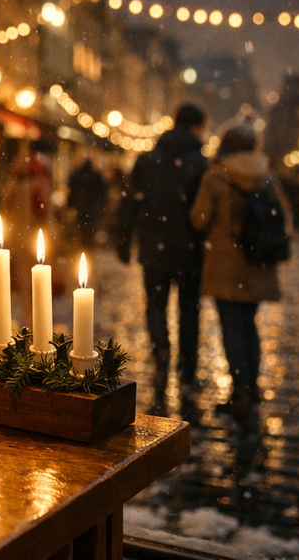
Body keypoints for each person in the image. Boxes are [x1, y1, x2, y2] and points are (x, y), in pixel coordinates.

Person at [115, 104, 208, 413]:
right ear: (196, 127)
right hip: (190, 250)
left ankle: (162, 355)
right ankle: (187, 368)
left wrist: (123, 242)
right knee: (189, 309)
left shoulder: (148, 159)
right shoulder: (201, 162)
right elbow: (207, 213)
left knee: (155, 304)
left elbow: (129, 202)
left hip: (154, 246)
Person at [190, 123, 284, 427]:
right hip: (257, 264)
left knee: (231, 328)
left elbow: (199, 218)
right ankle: (252, 387)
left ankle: (240, 392)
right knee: (249, 325)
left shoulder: (216, 176)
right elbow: (285, 217)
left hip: (227, 266)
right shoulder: (267, 177)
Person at [68, 149, 108, 249]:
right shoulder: (95, 175)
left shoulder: (77, 174)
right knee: (89, 231)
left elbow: (71, 191)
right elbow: (102, 192)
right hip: (91, 208)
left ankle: (83, 249)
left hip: (81, 207)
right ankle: (87, 249)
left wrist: (71, 205)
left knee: (82, 230)